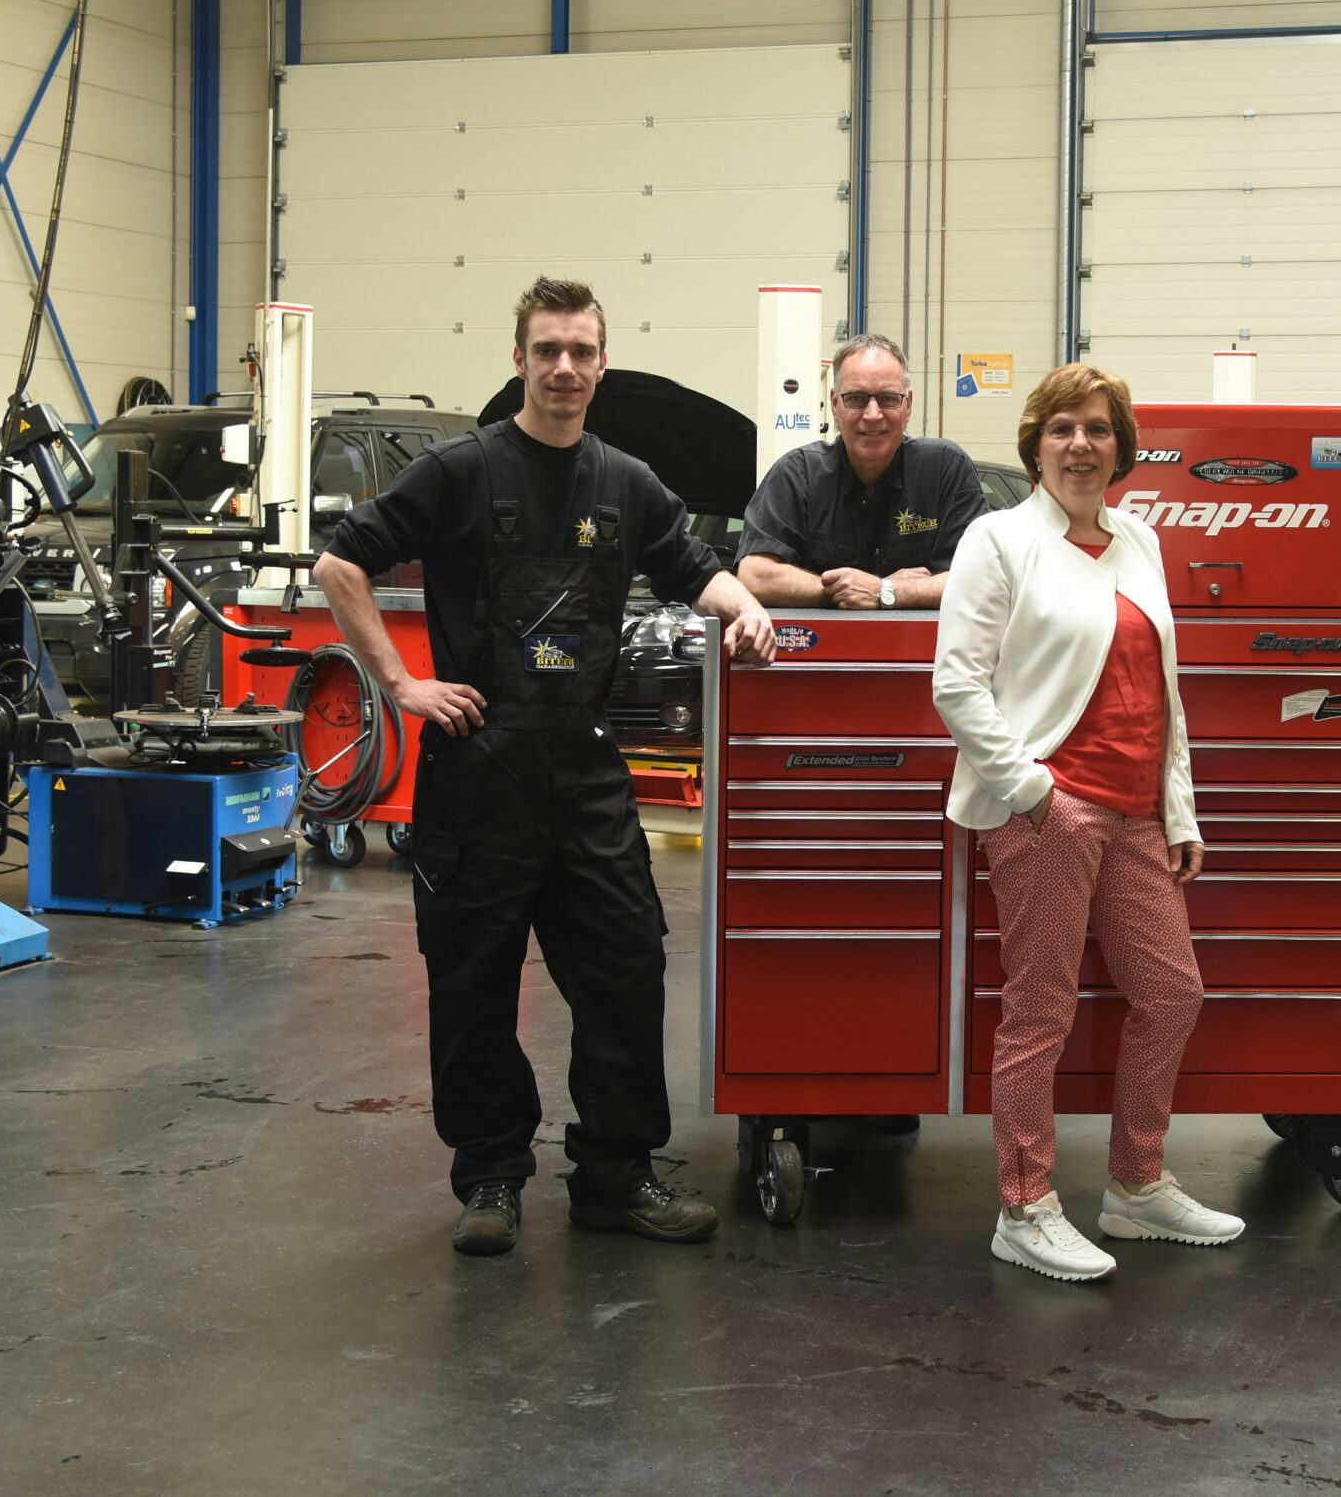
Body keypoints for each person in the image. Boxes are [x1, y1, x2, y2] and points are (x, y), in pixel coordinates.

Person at [316, 276, 777, 1257]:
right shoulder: (460, 470)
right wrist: (401, 683)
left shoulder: (627, 483)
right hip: (477, 772)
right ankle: (491, 1175)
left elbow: (695, 568)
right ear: (519, 359)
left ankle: (614, 1174)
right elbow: (340, 565)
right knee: (473, 982)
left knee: (626, 967)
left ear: (601, 364)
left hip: (586, 772)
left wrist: (744, 606)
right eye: (546, 351)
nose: (564, 368)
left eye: (580, 351)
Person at [931, 362, 1242, 1283]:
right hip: (1047, 815)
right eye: (1062, 428)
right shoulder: (999, 539)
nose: (1080, 444)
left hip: (1136, 815)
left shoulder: (1139, 540)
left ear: (1121, 446)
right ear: (1035, 444)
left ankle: (1135, 1184)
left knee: (1172, 993)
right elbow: (957, 682)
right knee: (1040, 1010)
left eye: (1098, 429)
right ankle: (1024, 1206)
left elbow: (1162, 690)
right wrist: (1034, 793)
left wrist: (1178, 809)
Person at [737, 334, 988, 611]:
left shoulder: (944, 469)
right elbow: (754, 576)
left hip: (921, 640)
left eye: (888, 398)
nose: (872, 414)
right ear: (835, 404)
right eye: (856, 398)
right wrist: (847, 591)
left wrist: (886, 591)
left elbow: (981, 580)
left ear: (908, 405)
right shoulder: (797, 475)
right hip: (822, 640)